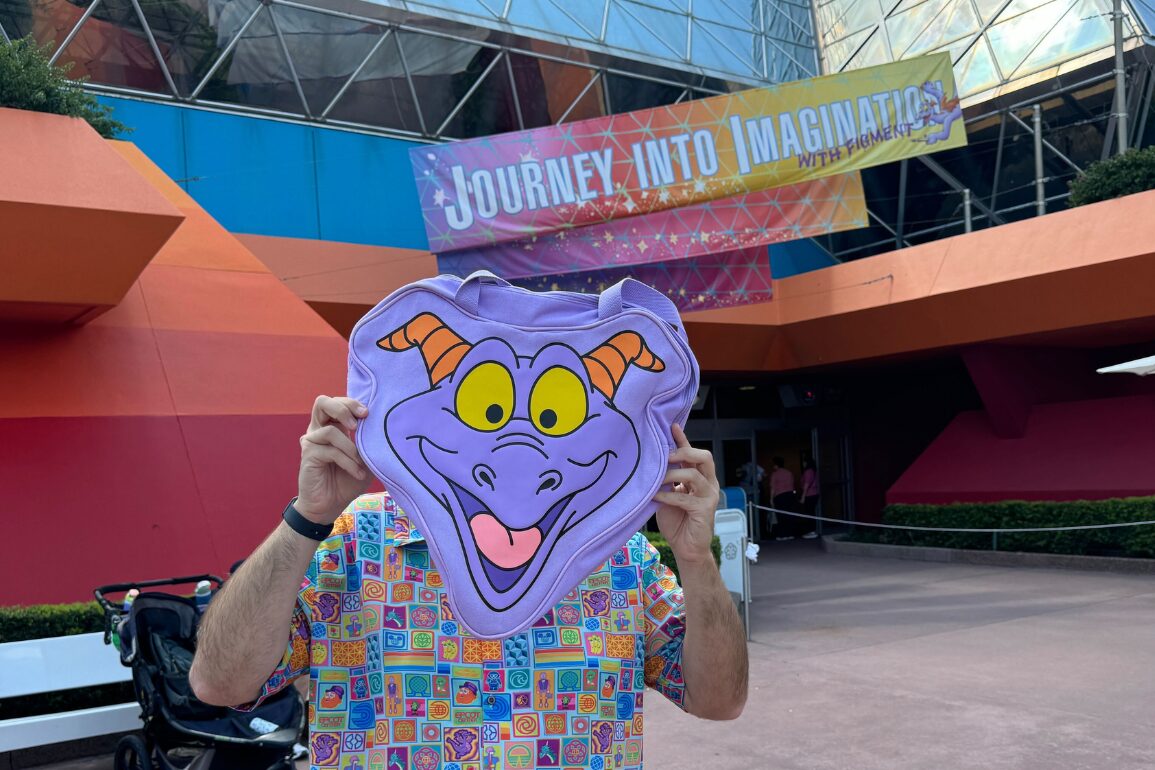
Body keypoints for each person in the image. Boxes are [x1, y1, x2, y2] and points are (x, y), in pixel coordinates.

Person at [190, 396, 748, 769]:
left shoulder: (618, 555)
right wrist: (307, 517)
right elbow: (220, 682)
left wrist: (695, 558)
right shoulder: (355, 541)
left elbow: (719, 700)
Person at [797, 458, 820, 540]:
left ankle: (811, 531)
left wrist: (803, 497)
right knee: (811, 512)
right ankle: (812, 530)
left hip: (809, 495)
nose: (803, 464)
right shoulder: (813, 471)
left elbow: (806, 485)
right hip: (814, 494)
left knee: (809, 513)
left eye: (804, 462)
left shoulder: (808, 472)